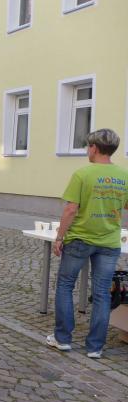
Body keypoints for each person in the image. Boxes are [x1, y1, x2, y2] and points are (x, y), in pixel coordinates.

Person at [46, 128, 128, 359]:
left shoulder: (82, 174)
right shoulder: (124, 175)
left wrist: (59, 237)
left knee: (65, 285)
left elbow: (71, 209)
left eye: (88, 147)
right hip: (109, 241)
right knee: (102, 293)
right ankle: (95, 347)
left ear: (94, 147)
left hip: (80, 238)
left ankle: (63, 339)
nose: (87, 151)